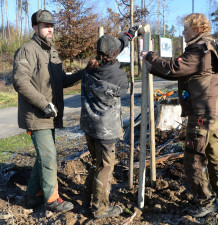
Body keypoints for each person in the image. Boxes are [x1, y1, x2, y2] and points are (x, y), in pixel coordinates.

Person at [141, 13, 218, 218]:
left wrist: (150, 56)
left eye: (186, 28)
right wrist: (153, 68)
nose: (182, 32)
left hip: (202, 112)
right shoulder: (209, 46)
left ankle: (206, 202)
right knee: (214, 155)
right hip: (214, 110)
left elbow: (176, 68)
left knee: (193, 159)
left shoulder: (199, 49)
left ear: (198, 29)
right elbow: (184, 72)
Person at [12, 9, 85, 213]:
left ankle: (33, 196)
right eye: (45, 25)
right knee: (49, 157)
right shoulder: (27, 50)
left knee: (44, 156)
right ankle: (52, 199)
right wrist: (43, 103)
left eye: (52, 25)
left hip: (50, 116)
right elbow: (20, 81)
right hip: (37, 115)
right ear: (35, 28)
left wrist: (84, 71)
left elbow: (62, 80)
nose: (50, 28)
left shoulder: (52, 52)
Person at [80, 26, 138, 219]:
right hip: (106, 130)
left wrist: (130, 34)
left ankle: (87, 197)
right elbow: (123, 91)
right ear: (114, 55)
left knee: (96, 163)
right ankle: (100, 208)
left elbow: (119, 45)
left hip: (89, 126)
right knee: (106, 167)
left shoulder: (89, 69)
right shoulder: (119, 76)